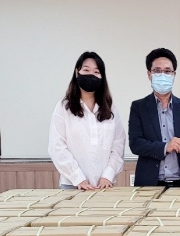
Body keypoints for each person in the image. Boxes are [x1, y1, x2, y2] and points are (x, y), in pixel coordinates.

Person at [49, 51, 126, 190]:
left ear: (102, 77)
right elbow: (57, 147)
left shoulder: (110, 107)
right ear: (77, 72)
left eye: (96, 72)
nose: (91, 75)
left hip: (105, 185)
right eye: (86, 70)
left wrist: (108, 175)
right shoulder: (63, 107)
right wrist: (78, 178)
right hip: (73, 184)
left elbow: (118, 144)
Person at [128, 48, 180, 187]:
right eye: (157, 71)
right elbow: (135, 144)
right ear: (149, 74)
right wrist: (165, 147)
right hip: (148, 185)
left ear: (174, 75)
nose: (162, 75)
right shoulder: (139, 107)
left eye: (167, 71)